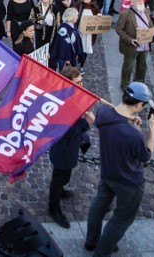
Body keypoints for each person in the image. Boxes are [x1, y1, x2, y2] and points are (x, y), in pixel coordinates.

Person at [85, 82, 154, 256]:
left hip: (108, 172)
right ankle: (102, 252)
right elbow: (146, 155)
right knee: (122, 218)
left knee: (99, 205)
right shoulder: (135, 134)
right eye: (143, 105)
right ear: (139, 105)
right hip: (129, 181)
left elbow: (114, 120)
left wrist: (129, 120)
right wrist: (152, 129)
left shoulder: (103, 111)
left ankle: (91, 241)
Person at [47, 66, 94, 228]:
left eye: (82, 81)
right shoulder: (63, 103)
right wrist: (86, 123)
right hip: (63, 148)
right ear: (68, 83)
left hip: (69, 147)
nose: (82, 85)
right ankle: (53, 206)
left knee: (64, 175)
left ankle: (60, 191)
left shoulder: (71, 96)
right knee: (59, 177)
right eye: (78, 82)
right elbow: (68, 131)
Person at [114, 0, 152, 91]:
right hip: (132, 46)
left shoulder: (146, 11)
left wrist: (153, 30)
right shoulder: (125, 14)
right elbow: (118, 29)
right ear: (133, 2)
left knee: (142, 65)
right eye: (139, 1)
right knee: (128, 66)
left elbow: (150, 24)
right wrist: (130, 40)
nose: (141, 2)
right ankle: (125, 84)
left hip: (144, 45)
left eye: (142, 0)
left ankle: (140, 82)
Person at [50, 8, 84, 72]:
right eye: (76, 15)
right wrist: (67, 58)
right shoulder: (63, 30)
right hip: (65, 58)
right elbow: (63, 46)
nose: (77, 17)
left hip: (72, 56)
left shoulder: (73, 26)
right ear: (72, 17)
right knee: (64, 74)